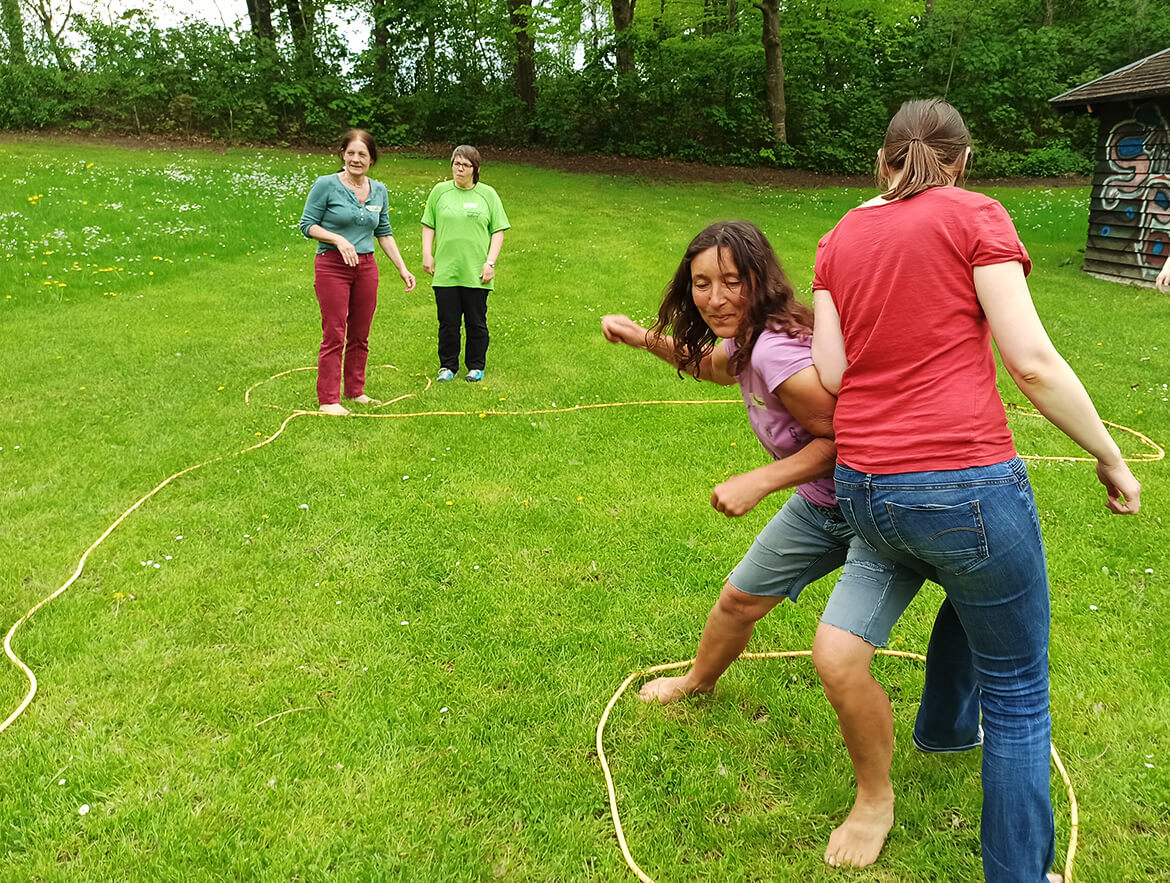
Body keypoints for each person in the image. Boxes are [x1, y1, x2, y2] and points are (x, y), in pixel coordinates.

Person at [810, 99, 1141, 883]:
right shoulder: (975, 216)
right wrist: (1108, 456)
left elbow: (830, 374)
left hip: (866, 490)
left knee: (970, 575)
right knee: (1021, 694)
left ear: (883, 155)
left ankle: (947, 728)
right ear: (961, 158)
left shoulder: (838, 238)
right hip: (964, 487)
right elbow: (1030, 361)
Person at [602, 220, 939, 871]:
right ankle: (699, 681)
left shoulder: (779, 353)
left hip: (876, 508)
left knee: (839, 658)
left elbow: (845, 436)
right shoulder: (752, 339)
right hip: (822, 507)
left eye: (732, 280)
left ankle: (875, 799)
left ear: (759, 279)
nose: (716, 295)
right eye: (702, 282)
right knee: (737, 600)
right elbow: (715, 366)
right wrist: (645, 338)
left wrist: (762, 478)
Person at [300, 128, 416, 416]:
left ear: (372, 159)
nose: (355, 159)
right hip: (332, 265)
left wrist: (402, 268)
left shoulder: (379, 190)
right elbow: (307, 225)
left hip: (366, 268)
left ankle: (355, 391)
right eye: (350, 153)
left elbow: (384, 232)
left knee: (360, 334)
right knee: (335, 333)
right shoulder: (326, 185)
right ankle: (329, 399)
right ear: (342, 154)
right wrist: (338, 239)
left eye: (362, 154)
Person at [421, 145, 509, 383]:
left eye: (465, 165)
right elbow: (429, 224)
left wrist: (490, 263)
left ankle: (476, 366)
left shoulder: (487, 195)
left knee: (476, 322)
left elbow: (498, 231)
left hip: (476, 271)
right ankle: (448, 366)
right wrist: (427, 254)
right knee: (448, 323)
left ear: (475, 169)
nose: (459, 169)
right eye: (456, 164)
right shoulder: (439, 192)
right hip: (447, 271)